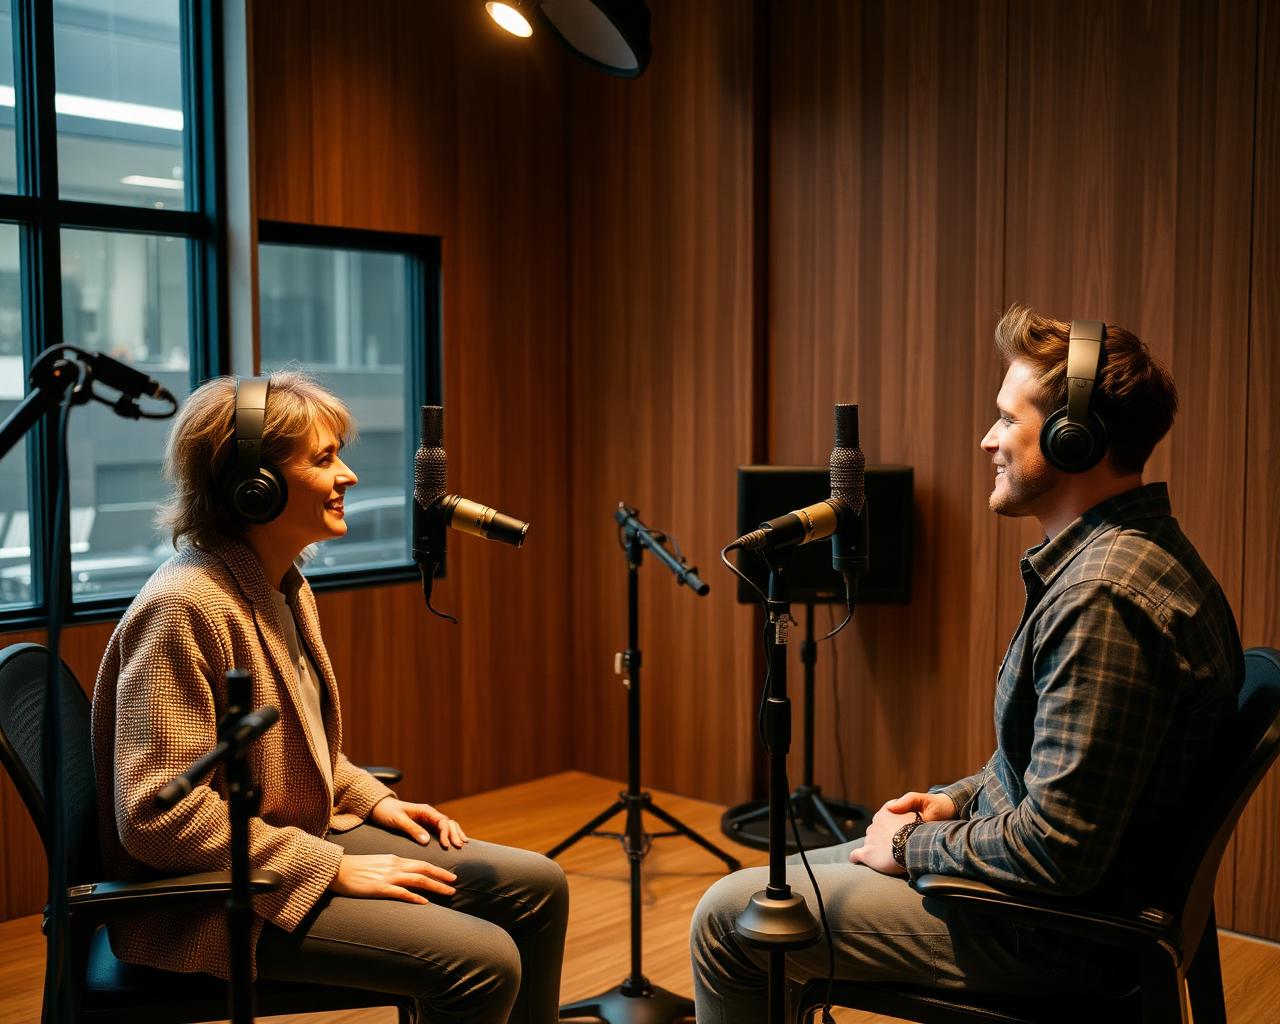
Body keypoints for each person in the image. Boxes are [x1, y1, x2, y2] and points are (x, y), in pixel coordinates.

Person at [690, 304, 1244, 1021]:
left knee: (731, 920)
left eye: (1008, 419)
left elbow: (1057, 851)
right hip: (1062, 902)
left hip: (1054, 934)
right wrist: (954, 802)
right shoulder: (1129, 557)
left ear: (1077, 440)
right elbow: (1041, 770)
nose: (987, 439)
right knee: (774, 890)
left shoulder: (1104, 600)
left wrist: (918, 843)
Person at [91, 371, 568, 1024]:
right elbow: (155, 817)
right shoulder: (184, 608)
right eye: (324, 458)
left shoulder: (280, 583)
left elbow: (292, 744)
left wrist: (369, 797)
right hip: (205, 899)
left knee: (539, 886)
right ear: (252, 487)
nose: (348, 475)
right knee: (484, 959)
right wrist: (325, 866)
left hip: (274, 844)